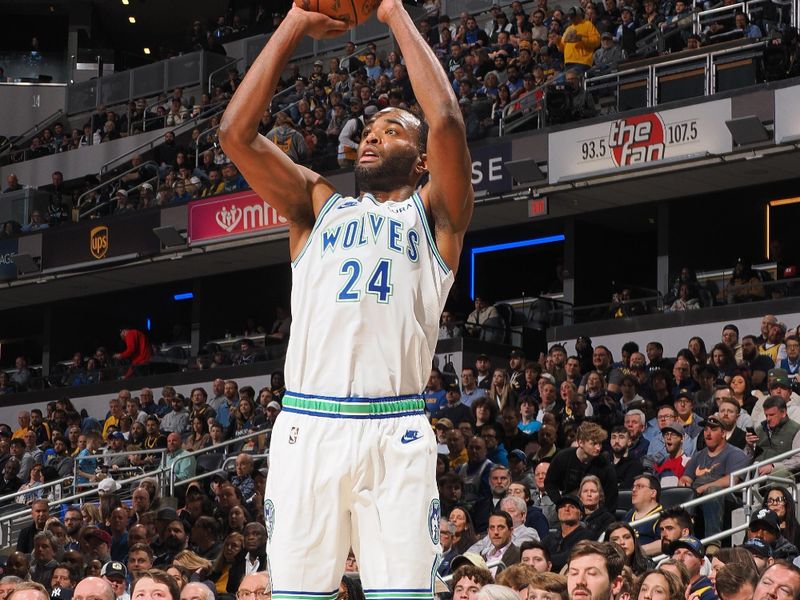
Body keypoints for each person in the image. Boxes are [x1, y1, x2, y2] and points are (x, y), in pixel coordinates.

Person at [219, 2, 474, 596]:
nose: (372, 137)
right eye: (369, 130)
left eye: (392, 132)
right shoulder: (315, 203)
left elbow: (448, 124)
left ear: (419, 159)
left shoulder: (436, 213)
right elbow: (235, 133)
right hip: (309, 425)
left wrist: (392, 12)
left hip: (398, 430)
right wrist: (293, 23)